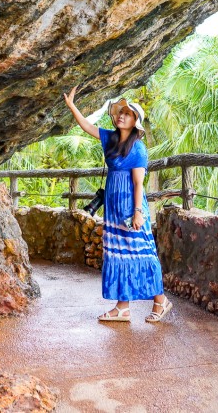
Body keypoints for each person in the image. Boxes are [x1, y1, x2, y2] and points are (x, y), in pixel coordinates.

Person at [62, 85, 172, 323]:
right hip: (113, 204)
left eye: (128, 114)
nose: (122, 115)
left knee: (141, 253)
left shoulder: (139, 149)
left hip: (131, 205)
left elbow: (138, 183)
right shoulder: (110, 139)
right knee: (117, 255)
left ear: (135, 122)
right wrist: (72, 107)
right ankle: (122, 307)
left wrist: (138, 213)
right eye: (120, 112)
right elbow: (87, 126)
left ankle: (161, 301)